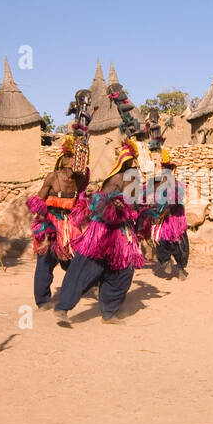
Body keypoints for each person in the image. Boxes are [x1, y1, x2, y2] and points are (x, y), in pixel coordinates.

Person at [54, 138, 146, 325]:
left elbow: (136, 205)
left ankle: (109, 313)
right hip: (102, 232)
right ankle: (63, 307)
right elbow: (97, 203)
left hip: (122, 235)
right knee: (85, 268)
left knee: (123, 272)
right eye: (132, 164)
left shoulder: (134, 181)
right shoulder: (116, 179)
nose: (135, 167)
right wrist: (113, 205)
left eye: (135, 164)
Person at [27, 137, 87, 307]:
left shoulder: (79, 180)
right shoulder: (52, 177)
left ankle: (71, 292)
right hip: (51, 224)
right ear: (67, 159)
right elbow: (38, 201)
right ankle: (42, 301)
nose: (80, 163)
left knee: (73, 261)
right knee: (45, 262)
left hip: (70, 226)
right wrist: (41, 224)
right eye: (77, 158)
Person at [144, 147, 189, 280]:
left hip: (175, 219)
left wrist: (165, 209)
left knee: (179, 244)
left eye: (169, 169)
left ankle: (180, 268)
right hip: (162, 219)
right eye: (165, 168)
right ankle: (166, 262)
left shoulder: (177, 185)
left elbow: (176, 200)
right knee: (161, 241)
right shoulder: (154, 183)